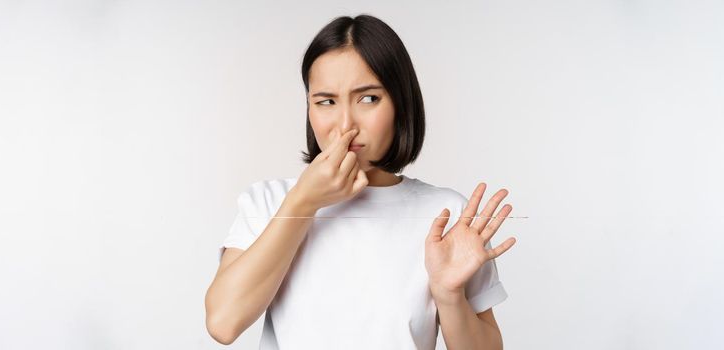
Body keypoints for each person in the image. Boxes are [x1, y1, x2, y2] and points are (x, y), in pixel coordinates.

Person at [204, 14, 517, 349]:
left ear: (401, 103)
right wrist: (303, 202)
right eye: (326, 101)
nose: (345, 124)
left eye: (368, 99)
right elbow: (223, 324)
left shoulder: (447, 215)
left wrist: (450, 295)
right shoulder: (268, 201)